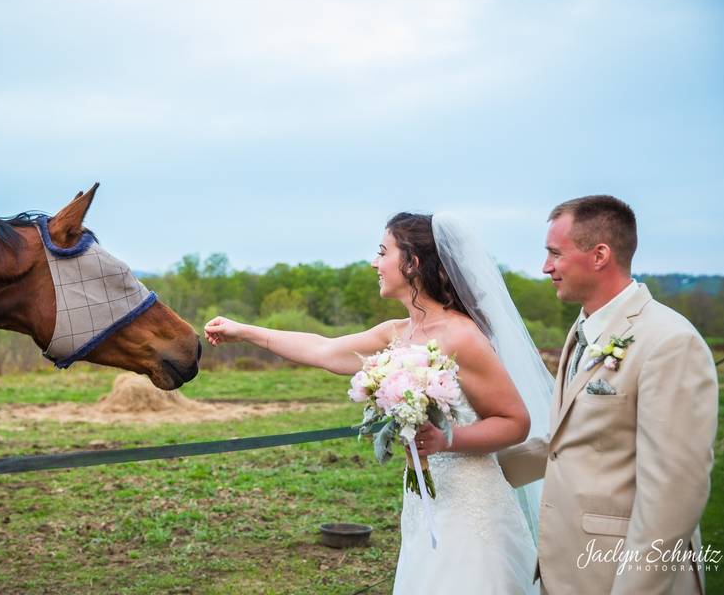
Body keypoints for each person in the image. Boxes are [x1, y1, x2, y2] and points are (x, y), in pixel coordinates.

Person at [205, 212, 551, 594]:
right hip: (422, 501)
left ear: (412, 262)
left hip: (471, 507)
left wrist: (446, 440)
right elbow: (324, 349)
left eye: (382, 252)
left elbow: (514, 421)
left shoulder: (462, 336)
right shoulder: (396, 332)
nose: (374, 262)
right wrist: (245, 331)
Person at [499, 195, 719, 594]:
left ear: (599, 255)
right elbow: (569, 441)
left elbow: (674, 493)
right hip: (567, 569)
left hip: (622, 575)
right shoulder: (585, 329)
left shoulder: (670, 342)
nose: (546, 267)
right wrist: (473, 466)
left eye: (554, 253)